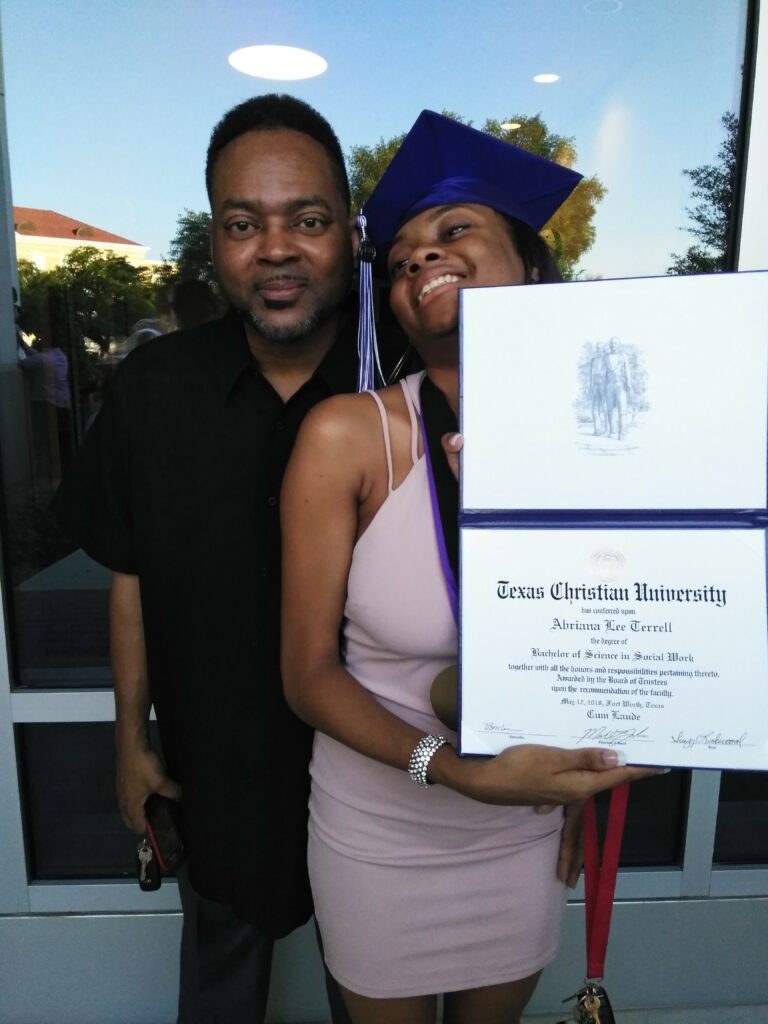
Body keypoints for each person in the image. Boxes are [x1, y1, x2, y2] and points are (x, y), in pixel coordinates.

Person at [281, 111, 662, 1024]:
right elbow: (305, 676)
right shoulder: (349, 437)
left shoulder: (607, 446)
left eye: (454, 233)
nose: (420, 260)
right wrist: (452, 768)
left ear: (529, 266)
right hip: (384, 830)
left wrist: (577, 773)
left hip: (519, 833)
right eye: (403, 254)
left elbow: (613, 634)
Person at [52, 93, 364, 1024]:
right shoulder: (154, 390)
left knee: (380, 991)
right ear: (214, 242)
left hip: (381, 771)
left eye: (307, 220)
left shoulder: (401, 385)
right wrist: (128, 741)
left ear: (349, 232)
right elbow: (130, 578)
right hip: (212, 770)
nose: (275, 249)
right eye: (243, 223)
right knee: (220, 991)